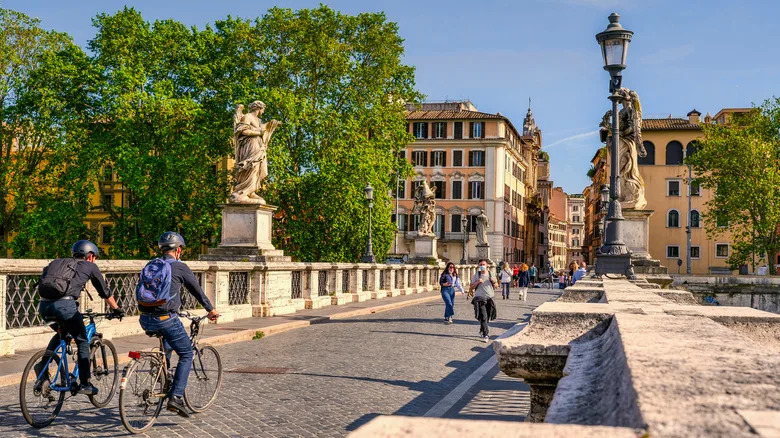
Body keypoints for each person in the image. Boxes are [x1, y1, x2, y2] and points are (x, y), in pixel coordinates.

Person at [138, 232, 220, 418]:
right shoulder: (180, 267)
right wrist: (211, 310)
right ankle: (175, 397)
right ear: (178, 250)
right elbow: (196, 291)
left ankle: (163, 379)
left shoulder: (151, 265)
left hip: (145, 318)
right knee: (186, 353)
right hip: (165, 318)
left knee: (167, 345)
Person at [36, 240, 124, 395]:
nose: (94, 261)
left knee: (62, 332)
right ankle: (85, 384)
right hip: (65, 307)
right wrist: (116, 309)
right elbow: (104, 291)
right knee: (82, 340)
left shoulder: (59, 263)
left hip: (44, 306)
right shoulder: (90, 266)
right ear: (90, 256)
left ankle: (43, 365)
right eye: (95, 258)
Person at [469, 259, 497, 343]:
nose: (482, 266)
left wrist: (493, 281)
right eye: (480, 264)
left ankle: (482, 329)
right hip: (479, 298)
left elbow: (496, 286)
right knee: (484, 316)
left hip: (489, 298)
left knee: (487, 317)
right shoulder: (476, 275)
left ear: (487, 265)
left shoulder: (491, 274)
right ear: (478, 266)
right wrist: (478, 282)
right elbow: (471, 287)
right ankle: (486, 334)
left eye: (483, 264)